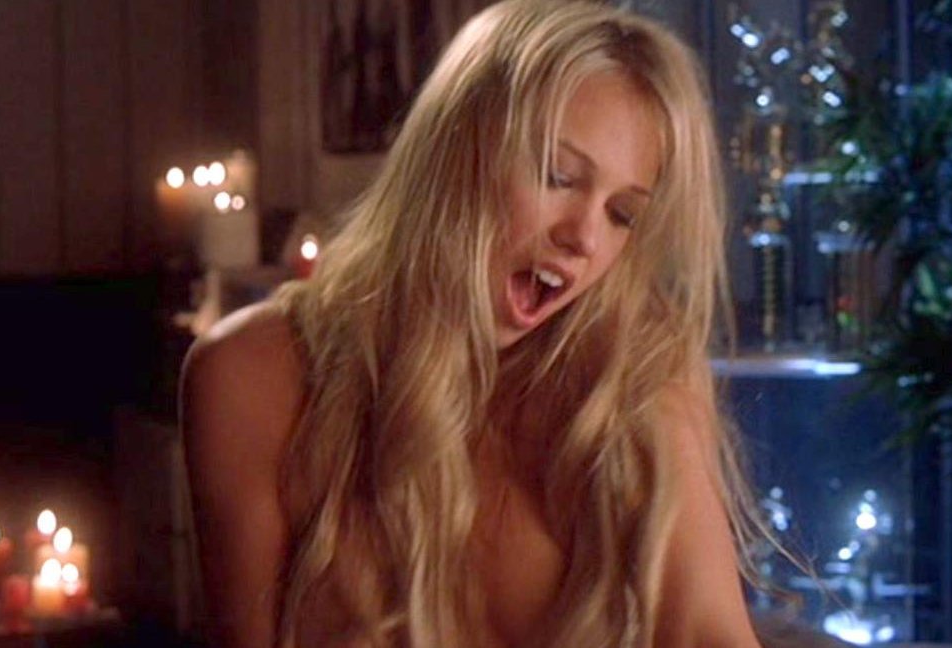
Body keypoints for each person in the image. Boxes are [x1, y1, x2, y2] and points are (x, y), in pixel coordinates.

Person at [181, 1, 769, 646]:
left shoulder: (636, 381)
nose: (584, 237)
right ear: (455, 148)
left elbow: (711, 633)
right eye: (558, 176)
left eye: (622, 214)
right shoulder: (252, 375)